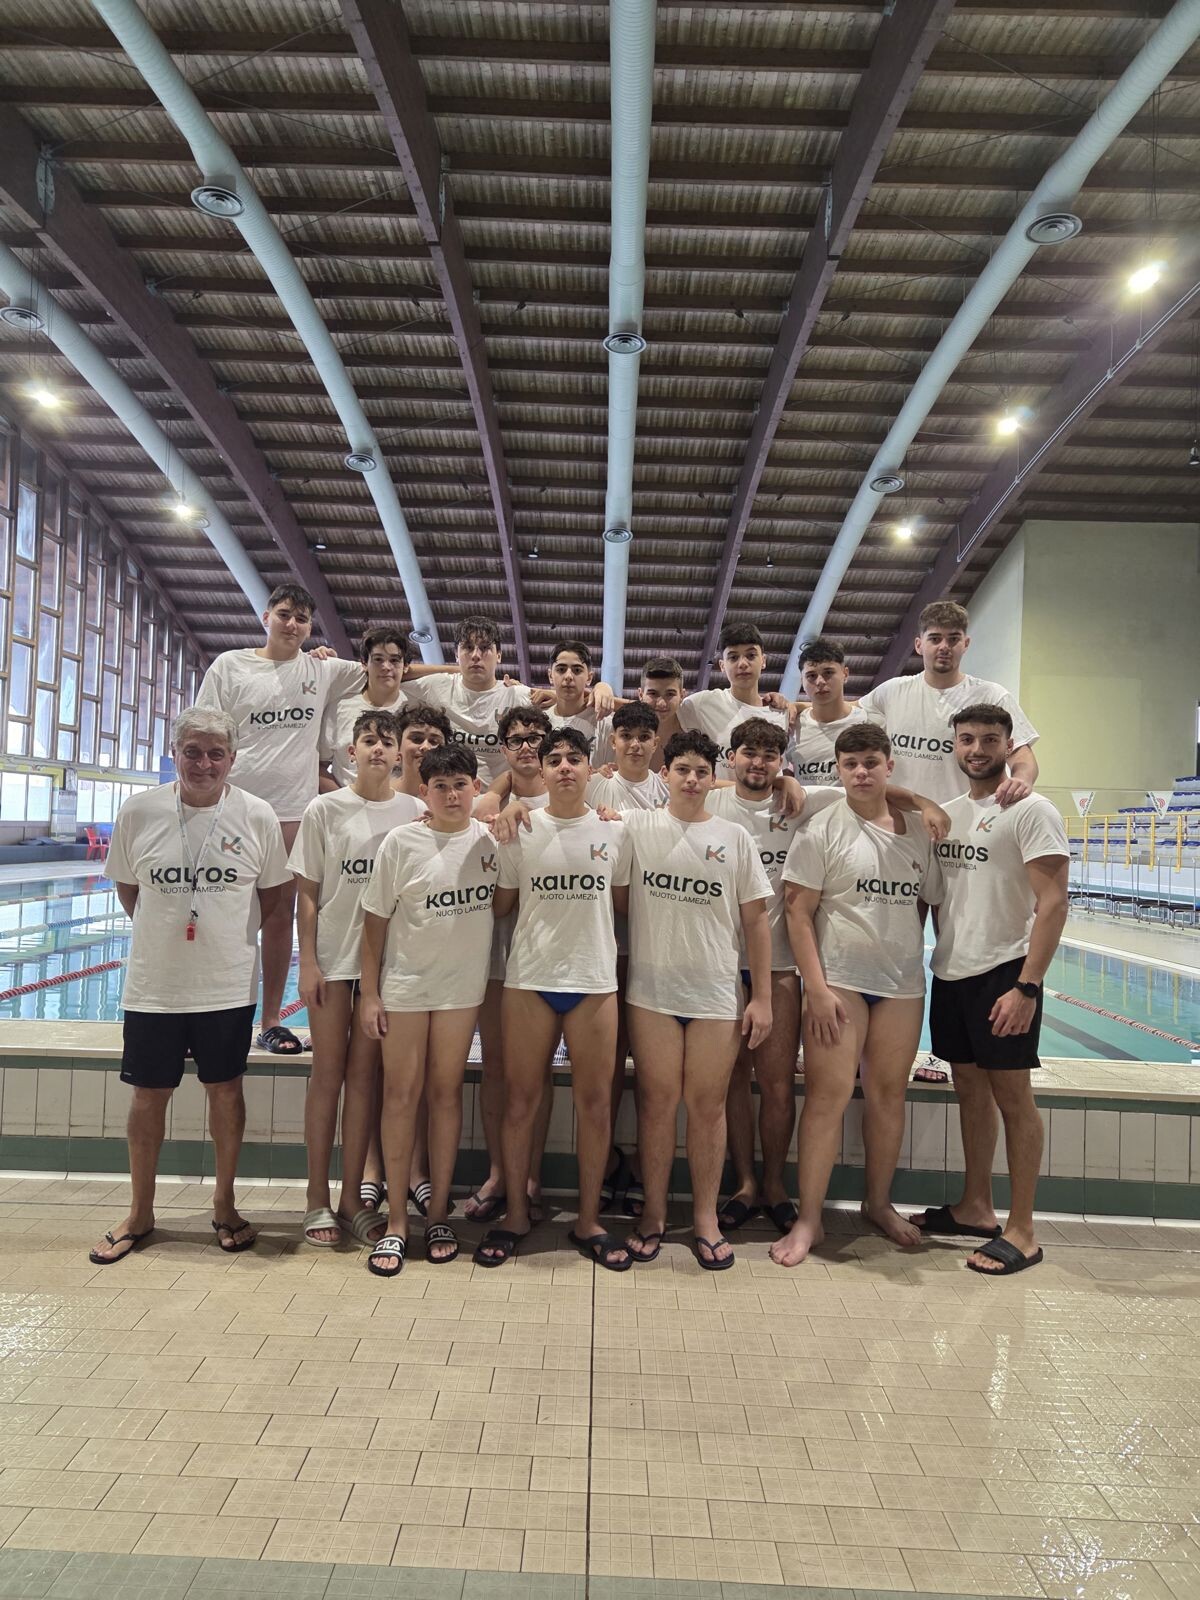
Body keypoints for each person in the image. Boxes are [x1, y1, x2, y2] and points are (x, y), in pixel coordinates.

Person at [88, 708, 291, 1265]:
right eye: (193, 751)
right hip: (155, 985)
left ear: (233, 757)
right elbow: (129, 891)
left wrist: (222, 937)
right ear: (174, 753)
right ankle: (140, 1212)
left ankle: (224, 1205)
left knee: (225, 1091)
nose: (204, 763)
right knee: (148, 1095)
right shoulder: (140, 812)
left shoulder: (257, 815)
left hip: (226, 985)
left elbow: (270, 896)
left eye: (215, 753)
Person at [771, 723, 942, 1269]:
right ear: (839, 770)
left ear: (890, 765)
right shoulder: (822, 829)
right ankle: (810, 1219)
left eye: (871, 761)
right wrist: (816, 989)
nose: (862, 772)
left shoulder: (918, 831)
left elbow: (924, 901)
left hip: (902, 985)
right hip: (838, 983)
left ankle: (878, 1203)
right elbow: (797, 912)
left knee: (889, 1096)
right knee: (828, 1097)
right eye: (851, 764)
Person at [910, 705, 1069, 1276]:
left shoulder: (1032, 809)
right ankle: (976, 1206)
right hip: (952, 972)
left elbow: (1053, 903)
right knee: (971, 1093)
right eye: (967, 738)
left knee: (1013, 1100)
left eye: (990, 739)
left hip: (1006, 973)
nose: (977, 748)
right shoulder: (947, 815)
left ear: (1009, 745)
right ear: (953, 744)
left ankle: (1022, 1230)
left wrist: (1028, 985)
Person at [858, 600, 1040, 1086]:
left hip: (963, 840)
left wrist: (1021, 780)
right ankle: (869, 1047)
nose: (943, 647)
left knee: (953, 940)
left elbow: (1024, 755)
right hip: (901, 839)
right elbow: (851, 744)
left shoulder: (990, 694)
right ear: (919, 644)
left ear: (965, 643)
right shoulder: (892, 693)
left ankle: (936, 1053)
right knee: (896, 942)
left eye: (952, 639)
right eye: (934, 638)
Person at [613, 729, 774, 1270]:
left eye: (701, 771)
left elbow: (756, 920)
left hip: (715, 994)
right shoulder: (636, 827)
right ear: (665, 774)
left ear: (713, 778)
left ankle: (704, 1215)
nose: (690, 779)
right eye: (681, 769)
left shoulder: (735, 836)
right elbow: (614, 891)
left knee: (707, 1108)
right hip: (652, 993)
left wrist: (763, 998)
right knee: (656, 1105)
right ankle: (655, 1212)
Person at [474, 727, 631, 1269]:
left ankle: (588, 1220)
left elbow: (626, 901)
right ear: (540, 772)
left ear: (591, 769)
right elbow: (499, 906)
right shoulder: (521, 829)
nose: (565, 767)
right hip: (530, 981)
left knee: (594, 1105)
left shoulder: (617, 831)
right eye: (555, 760)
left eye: (574, 758)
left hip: (593, 983)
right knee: (521, 1102)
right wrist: (488, 826)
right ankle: (517, 1213)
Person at [195, 584, 367, 1054]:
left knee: (277, 919)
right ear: (266, 616)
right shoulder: (230, 666)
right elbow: (203, 730)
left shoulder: (321, 668)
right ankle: (208, 1013)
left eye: (302, 619)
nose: (293, 625)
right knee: (220, 914)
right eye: (285, 615)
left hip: (291, 814)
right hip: (232, 811)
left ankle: (270, 1020)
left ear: (310, 628)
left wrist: (508, 682)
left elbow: (392, 668)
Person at [358, 746, 498, 1274]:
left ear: (475, 785)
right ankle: (397, 1220)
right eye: (440, 787)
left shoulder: (489, 841)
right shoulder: (402, 842)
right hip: (407, 989)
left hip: (462, 990)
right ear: (424, 793)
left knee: (444, 1095)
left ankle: (438, 1212)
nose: (451, 795)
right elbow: (373, 924)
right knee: (400, 1095)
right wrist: (370, 994)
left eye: (460, 784)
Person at [290, 709, 422, 1250]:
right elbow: (307, 893)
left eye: (385, 742)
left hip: (384, 969)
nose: (376, 749)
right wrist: (308, 963)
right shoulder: (325, 809)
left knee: (365, 1080)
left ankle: (351, 1198)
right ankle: (315, 1197)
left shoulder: (414, 810)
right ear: (352, 752)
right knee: (328, 1073)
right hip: (333, 961)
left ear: (397, 756)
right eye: (367, 740)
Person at [708, 718, 838, 1236]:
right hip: (719, 967)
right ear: (731, 757)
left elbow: (872, 784)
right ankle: (743, 1182)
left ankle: (776, 1183)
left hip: (781, 966)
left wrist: (930, 806)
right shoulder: (713, 804)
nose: (757, 762)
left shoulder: (807, 802)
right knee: (733, 1082)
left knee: (778, 1084)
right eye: (748, 753)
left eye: (769, 755)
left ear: (782, 761)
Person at [461, 705, 554, 1223]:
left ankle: (532, 1174)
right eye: (516, 739)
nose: (526, 747)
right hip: (494, 947)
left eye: (534, 738)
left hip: (545, 952)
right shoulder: (484, 804)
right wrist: (496, 798)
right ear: (502, 747)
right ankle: (500, 1171)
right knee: (497, 1065)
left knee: (537, 1070)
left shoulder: (570, 792)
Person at [401, 614, 532, 785]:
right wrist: (454, 669)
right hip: (448, 798)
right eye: (468, 648)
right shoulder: (438, 685)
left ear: (499, 655)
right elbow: (395, 672)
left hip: (499, 802)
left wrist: (550, 693)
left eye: (485, 648)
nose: (476, 655)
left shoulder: (516, 695)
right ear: (456, 654)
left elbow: (568, 701)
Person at [676, 623, 789, 781]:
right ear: (722, 665)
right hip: (718, 803)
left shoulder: (780, 712)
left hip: (766, 805)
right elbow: (660, 712)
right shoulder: (702, 703)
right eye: (733, 657)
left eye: (750, 656)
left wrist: (796, 705)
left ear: (763, 661)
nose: (742, 664)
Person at [318, 626, 410, 790]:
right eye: (378, 659)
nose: (386, 667)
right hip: (347, 808)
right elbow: (318, 766)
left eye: (395, 660)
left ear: (406, 666)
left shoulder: (413, 708)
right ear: (364, 664)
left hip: (399, 807)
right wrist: (344, 801)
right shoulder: (340, 708)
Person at [786, 637, 881, 786]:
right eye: (811, 676)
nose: (820, 682)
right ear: (802, 681)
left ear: (845, 674)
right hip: (808, 810)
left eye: (828, 673)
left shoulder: (871, 722)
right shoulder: (791, 726)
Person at [593, 655, 686, 771]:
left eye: (670, 694)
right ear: (640, 695)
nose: (662, 703)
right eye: (653, 694)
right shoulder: (621, 730)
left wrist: (602, 687)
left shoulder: (692, 727)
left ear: (682, 695)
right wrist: (601, 687)